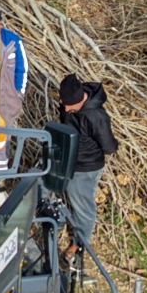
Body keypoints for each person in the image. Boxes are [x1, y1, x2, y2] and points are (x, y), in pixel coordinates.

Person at [56, 73, 118, 251]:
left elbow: (109, 147)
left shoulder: (96, 116)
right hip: (66, 161)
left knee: (83, 209)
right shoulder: (68, 102)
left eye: (69, 107)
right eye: (63, 104)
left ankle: (80, 245)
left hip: (85, 168)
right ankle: (52, 223)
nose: (65, 110)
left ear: (80, 101)